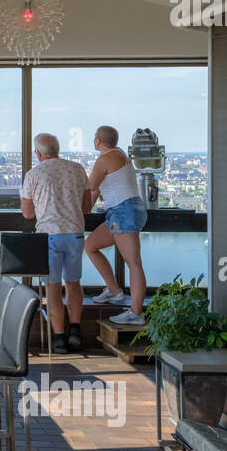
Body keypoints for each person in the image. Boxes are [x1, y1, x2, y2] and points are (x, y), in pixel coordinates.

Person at [20, 133, 91, 354]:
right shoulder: (77, 169)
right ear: (57, 149)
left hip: (49, 236)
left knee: (52, 287)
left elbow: (27, 213)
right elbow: (87, 207)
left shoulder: (34, 174)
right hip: (75, 234)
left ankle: (59, 338)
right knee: (73, 283)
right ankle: (75, 331)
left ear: (38, 153)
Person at [85, 125, 147, 325]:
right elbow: (95, 193)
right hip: (124, 211)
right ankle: (114, 290)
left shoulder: (104, 160)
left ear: (98, 142)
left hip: (123, 211)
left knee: (134, 263)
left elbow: (89, 187)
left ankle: (136, 313)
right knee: (91, 246)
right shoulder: (119, 155)